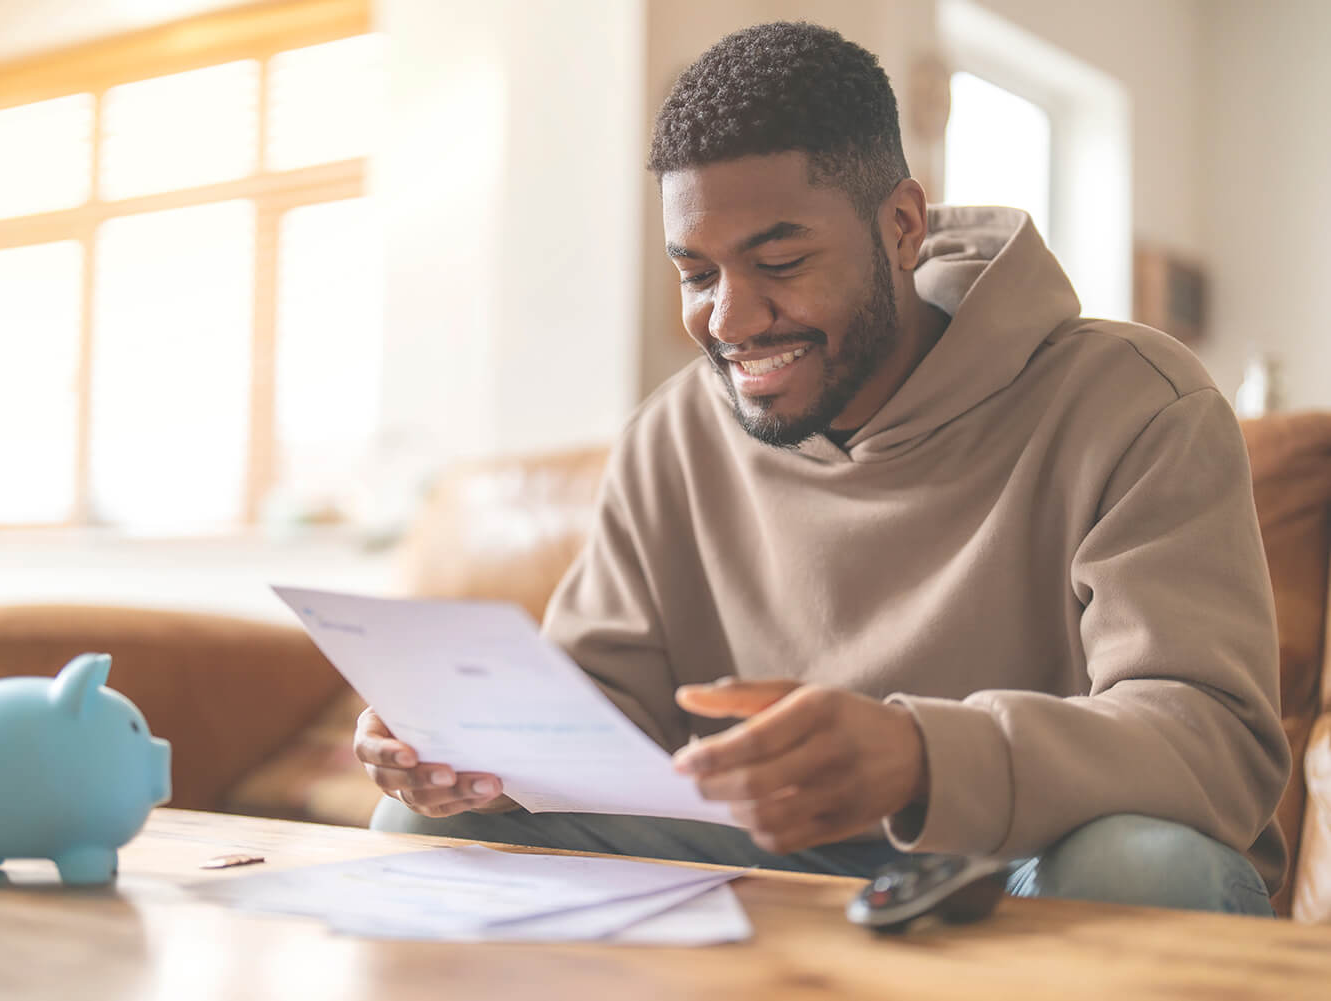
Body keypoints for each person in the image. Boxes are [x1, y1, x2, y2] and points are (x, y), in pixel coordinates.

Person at [356, 21, 1290, 915]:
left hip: (1023, 857)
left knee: (1142, 862)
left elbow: (1214, 738)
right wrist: (467, 747)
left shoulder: (1136, 402)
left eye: (782, 260)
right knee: (430, 822)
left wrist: (925, 757)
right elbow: (602, 715)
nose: (728, 320)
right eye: (697, 274)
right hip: (775, 848)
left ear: (902, 225)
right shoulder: (670, 436)